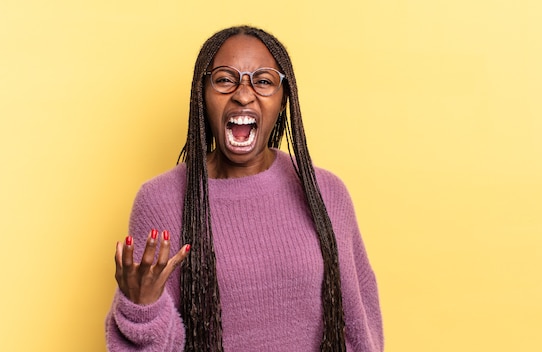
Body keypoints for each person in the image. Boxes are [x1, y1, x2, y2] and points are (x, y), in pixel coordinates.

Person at [106, 25, 383, 352]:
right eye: (224, 79)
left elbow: (360, 329)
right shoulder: (160, 201)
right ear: (201, 95)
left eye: (264, 81)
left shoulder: (326, 192)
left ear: (283, 100)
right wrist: (143, 309)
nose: (243, 93)